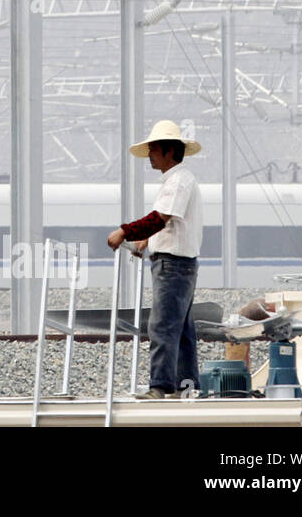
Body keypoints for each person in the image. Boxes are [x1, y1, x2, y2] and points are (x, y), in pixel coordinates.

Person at [106, 120, 204, 399]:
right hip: (179, 263)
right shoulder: (179, 180)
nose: (150, 155)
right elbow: (171, 222)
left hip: (173, 264)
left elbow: (160, 218)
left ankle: (160, 386)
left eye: (153, 149)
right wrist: (147, 240)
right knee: (181, 328)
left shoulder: (178, 181)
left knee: (162, 325)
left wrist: (124, 231)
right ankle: (187, 386)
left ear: (169, 151)